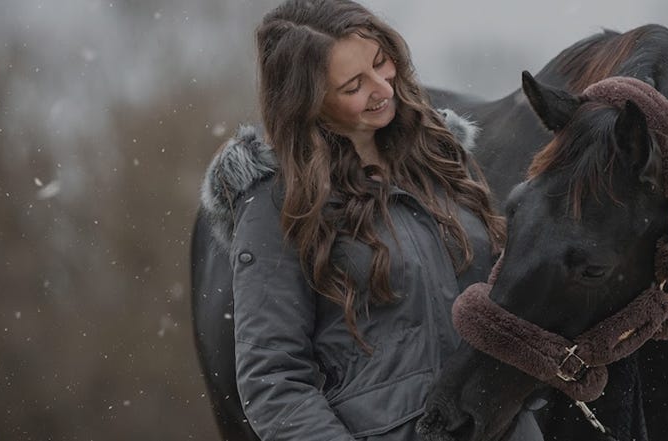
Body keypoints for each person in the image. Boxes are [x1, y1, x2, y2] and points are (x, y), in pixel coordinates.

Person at [197, 0, 543, 439]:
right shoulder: (277, 203)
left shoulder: (442, 159)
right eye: (354, 85)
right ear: (309, 102)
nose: (383, 88)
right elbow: (274, 380)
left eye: (382, 63)